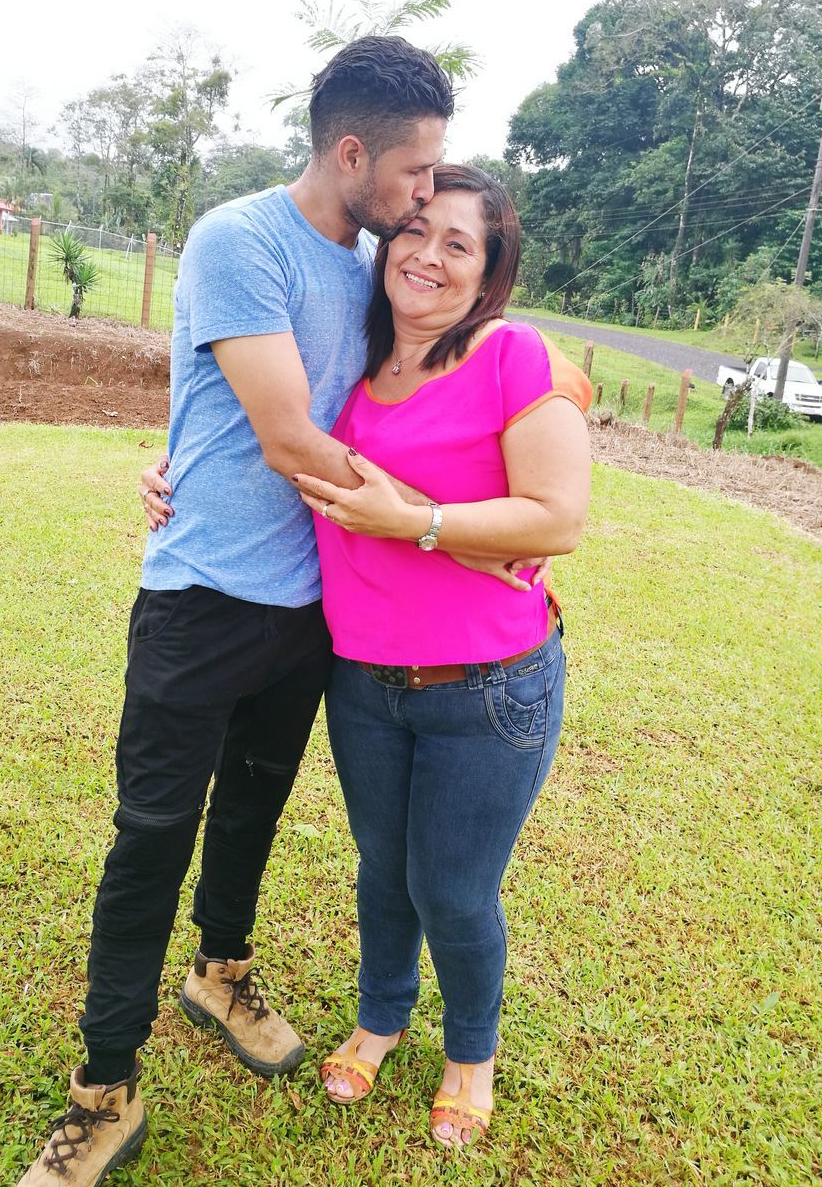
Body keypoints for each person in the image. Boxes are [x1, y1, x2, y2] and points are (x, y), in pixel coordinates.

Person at [17, 36, 463, 1187]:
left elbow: (438, 369)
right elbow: (285, 437)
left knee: (254, 811)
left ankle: (220, 970)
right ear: (354, 152)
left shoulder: (375, 264)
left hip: (313, 608)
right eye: (417, 173)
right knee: (150, 836)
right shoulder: (239, 238)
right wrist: (447, 527)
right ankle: (103, 1089)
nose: (424, 199)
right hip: (203, 596)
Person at [291, 165, 592, 1148]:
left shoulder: (512, 356)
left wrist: (416, 521)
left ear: (489, 271)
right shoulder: (351, 358)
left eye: (458, 243)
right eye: (415, 230)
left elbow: (556, 517)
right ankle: (381, 1016)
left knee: (453, 887)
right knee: (383, 869)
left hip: (489, 687)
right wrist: (178, 471)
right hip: (365, 680)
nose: (426, 254)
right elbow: (283, 448)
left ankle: (471, 1053)